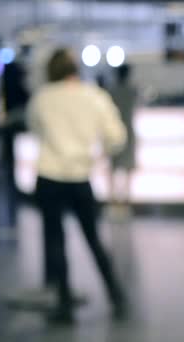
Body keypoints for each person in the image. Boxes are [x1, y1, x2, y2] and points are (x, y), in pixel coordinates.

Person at [27, 48, 127, 323]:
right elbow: (116, 136)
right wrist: (98, 155)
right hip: (80, 177)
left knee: (54, 240)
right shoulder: (94, 96)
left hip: (48, 176)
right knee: (93, 238)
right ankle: (115, 293)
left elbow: (34, 129)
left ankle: (63, 298)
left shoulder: (42, 98)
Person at [109, 64, 137, 202]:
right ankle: (126, 198)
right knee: (127, 168)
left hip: (114, 131)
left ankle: (114, 198)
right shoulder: (133, 91)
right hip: (128, 131)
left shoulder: (111, 91)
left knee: (114, 167)